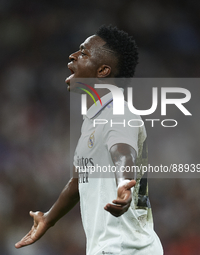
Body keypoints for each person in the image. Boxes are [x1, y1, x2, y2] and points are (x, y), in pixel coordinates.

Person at [15, 25, 163, 255]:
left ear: (103, 71)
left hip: (125, 248)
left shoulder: (118, 113)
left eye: (83, 53)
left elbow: (123, 153)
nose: (73, 56)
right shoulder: (95, 118)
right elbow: (79, 181)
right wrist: (49, 219)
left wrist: (124, 185)